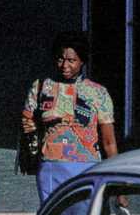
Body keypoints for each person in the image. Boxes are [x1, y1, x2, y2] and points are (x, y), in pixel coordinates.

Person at [20, 31, 118, 203]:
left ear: (82, 61)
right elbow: (27, 122)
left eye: (71, 60)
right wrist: (35, 151)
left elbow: (109, 142)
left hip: (87, 169)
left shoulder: (98, 93)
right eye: (60, 59)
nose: (65, 65)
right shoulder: (41, 87)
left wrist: (118, 188)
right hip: (50, 168)